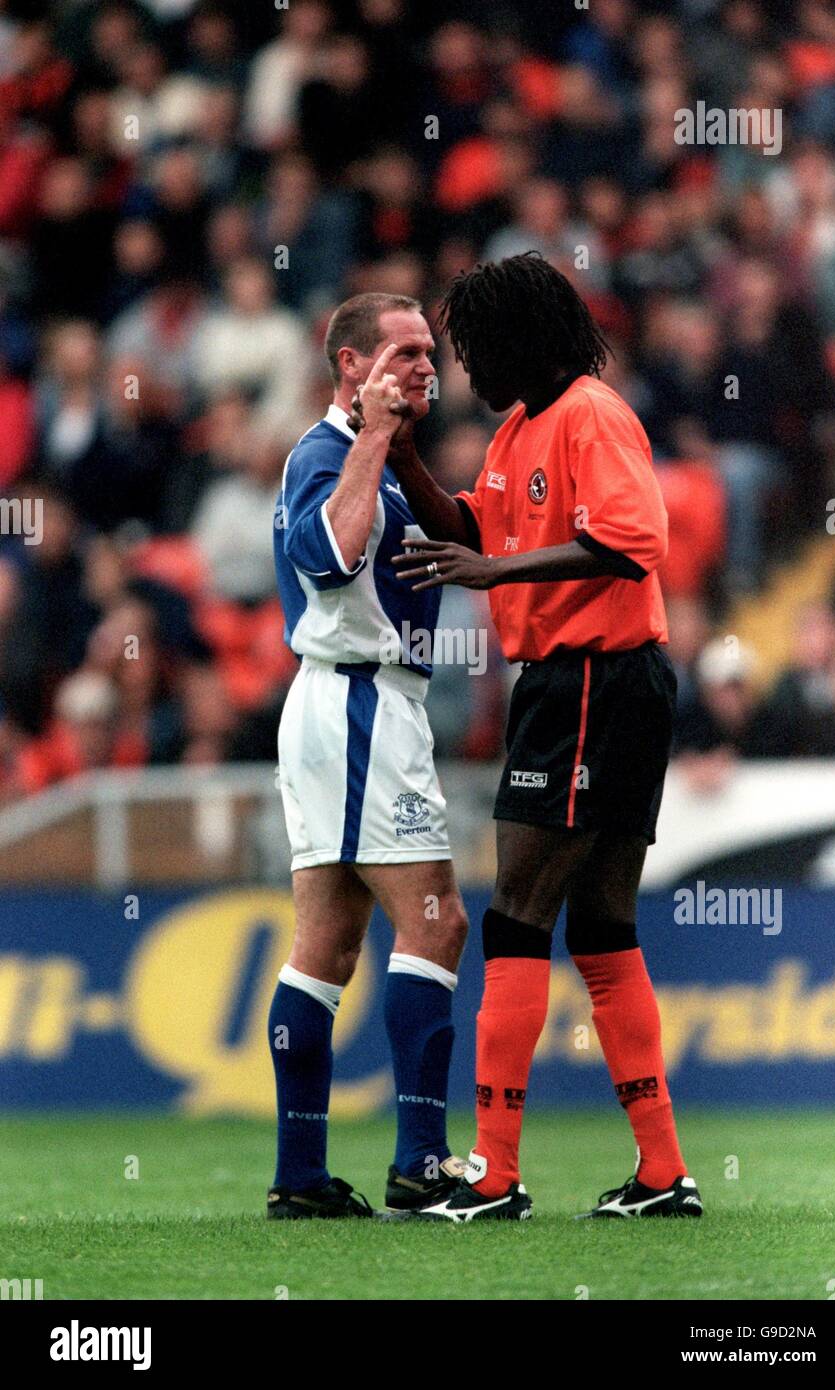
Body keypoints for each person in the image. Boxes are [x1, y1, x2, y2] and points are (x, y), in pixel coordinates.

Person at [388, 252, 702, 1220]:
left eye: (475, 348)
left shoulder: (590, 415)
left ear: (516, 342)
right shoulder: (519, 427)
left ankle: (493, 1169)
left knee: (515, 914)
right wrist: (396, 453)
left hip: (589, 678)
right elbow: (473, 530)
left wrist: (496, 577)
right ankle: (660, 1173)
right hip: (589, 682)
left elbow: (628, 539)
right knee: (601, 924)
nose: (466, 369)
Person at [267, 291, 468, 1219]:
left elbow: (463, 538)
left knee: (329, 943)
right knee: (436, 922)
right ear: (351, 365)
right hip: (358, 700)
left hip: (354, 702)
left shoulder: (384, 458)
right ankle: (420, 1162)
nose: (427, 364)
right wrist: (372, 440)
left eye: (430, 351)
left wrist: (395, 443)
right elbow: (331, 558)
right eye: (405, 351)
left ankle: (301, 1179)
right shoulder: (324, 455)